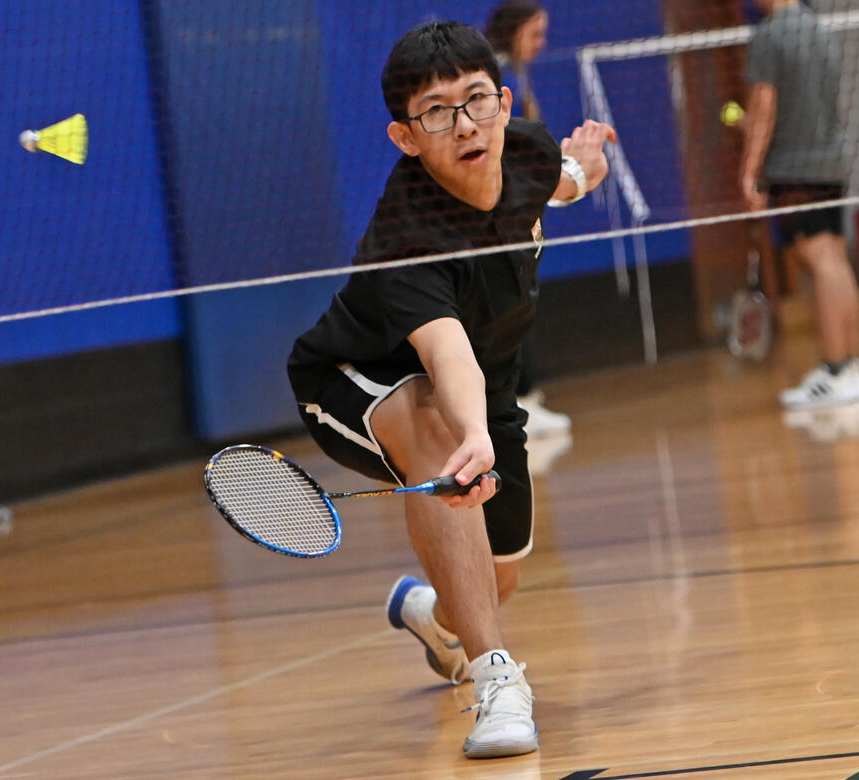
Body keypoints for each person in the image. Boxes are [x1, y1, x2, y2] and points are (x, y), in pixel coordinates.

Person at [287, 21, 614, 759]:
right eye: (437, 112)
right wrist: (471, 436)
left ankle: (436, 618)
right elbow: (446, 355)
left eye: (475, 101)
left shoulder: (522, 145)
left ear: (501, 101)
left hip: (486, 387)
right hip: (354, 380)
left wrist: (587, 167)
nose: (464, 125)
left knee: (499, 576)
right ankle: (498, 682)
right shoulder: (407, 237)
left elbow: (557, 178)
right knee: (438, 431)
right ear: (405, 136)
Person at [741, 0, 859, 409]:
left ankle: (836, 371)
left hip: (795, 168)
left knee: (821, 260)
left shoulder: (769, 35)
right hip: (832, 163)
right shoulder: (819, 29)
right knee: (834, 256)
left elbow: (764, 105)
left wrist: (750, 171)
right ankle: (848, 367)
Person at [483, 0, 572, 437]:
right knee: (511, 307)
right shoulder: (498, 75)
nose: (542, 42)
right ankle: (518, 404)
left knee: (520, 304)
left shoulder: (514, 71)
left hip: (517, 212)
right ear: (514, 30)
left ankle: (525, 401)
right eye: (535, 32)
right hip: (502, 218)